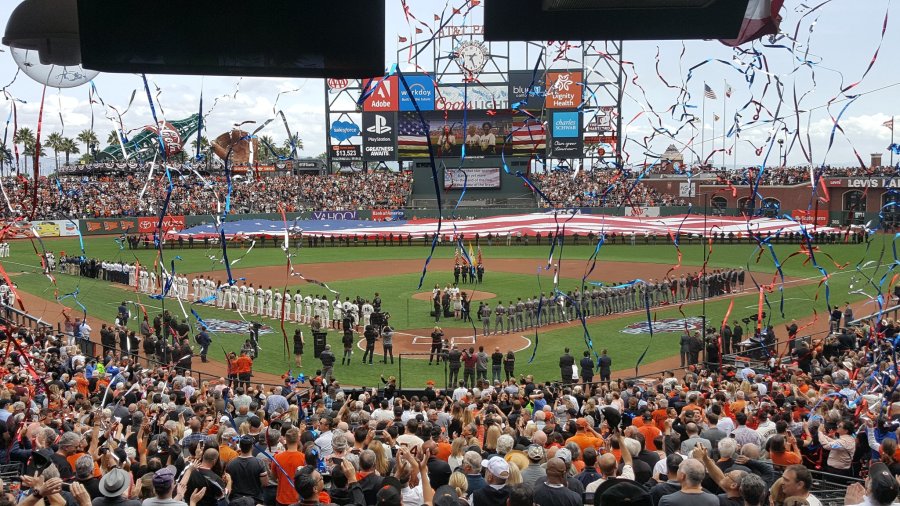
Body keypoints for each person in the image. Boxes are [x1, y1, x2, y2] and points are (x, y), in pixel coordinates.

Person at [225, 435, 268, 504]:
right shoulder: (259, 463)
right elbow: (265, 483)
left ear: (240, 447)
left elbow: (228, 482)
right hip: (255, 500)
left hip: (236, 501)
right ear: (252, 447)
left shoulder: (231, 464)